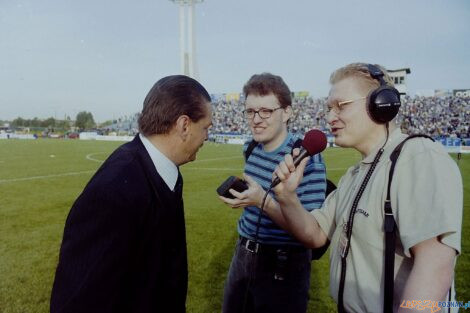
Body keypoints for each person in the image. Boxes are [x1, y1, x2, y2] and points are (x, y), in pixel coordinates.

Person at [271, 63, 462, 312]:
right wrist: (286, 197)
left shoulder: (417, 156)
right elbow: (315, 234)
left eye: (341, 105)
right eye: (329, 108)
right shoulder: (355, 174)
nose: (330, 117)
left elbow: (434, 266)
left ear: (381, 104)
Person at [50, 75, 213, 313]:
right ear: (184, 125)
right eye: (205, 128)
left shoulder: (166, 170)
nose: (207, 137)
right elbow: (77, 300)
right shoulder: (115, 190)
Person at [219, 73, 327, 313]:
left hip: (284, 264)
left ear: (287, 112)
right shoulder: (252, 147)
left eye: (266, 111)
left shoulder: (306, 158)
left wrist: (262, 201)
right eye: (250, 111)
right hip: (243, 255)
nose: (256, 119)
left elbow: (310, 232)